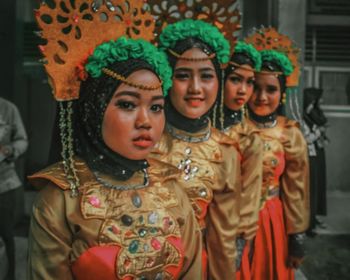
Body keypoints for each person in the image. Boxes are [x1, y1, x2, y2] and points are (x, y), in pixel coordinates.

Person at [27, 2, 202, 279]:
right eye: (128, 105)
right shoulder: (60, 201)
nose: (146, 120)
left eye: (156, 107)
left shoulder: (172, 188)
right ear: (93, 110)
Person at [150, 19, 241, 279]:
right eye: (182, 76)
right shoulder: (143, 139)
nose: (195, 89)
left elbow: (223, 238)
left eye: (206, 76)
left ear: (219, 81)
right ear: (167, 78)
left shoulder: (225, 151)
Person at [245, 28, 310, 280]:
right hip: (232, 221)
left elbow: (297, 190)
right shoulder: (233, 130)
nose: (261, 97)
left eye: (270, 89)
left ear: (281, 92)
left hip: (272, 219)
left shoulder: (289, 133)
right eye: (255, 87)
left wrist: (297, 235)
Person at [212, 41, 263, 279]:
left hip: (227, 237)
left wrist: (240, 241)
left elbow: (250, 196)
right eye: (235, 79)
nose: (243, 90)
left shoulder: (249, 137)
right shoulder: (197, 127)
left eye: (249, 82)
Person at [0, 96, 28, 280]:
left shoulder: (8, 108)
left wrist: (9, 150)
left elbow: (22, 140)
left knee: (6, 235)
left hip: (4, 185)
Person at [303, 87, 328, 236]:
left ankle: (312, 220)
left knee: (315, 189)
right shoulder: (304, 117)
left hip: (314, 154)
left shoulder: (311, 114)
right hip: (309, 157)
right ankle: (309, 224)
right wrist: (318, 132)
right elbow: (306, 138)